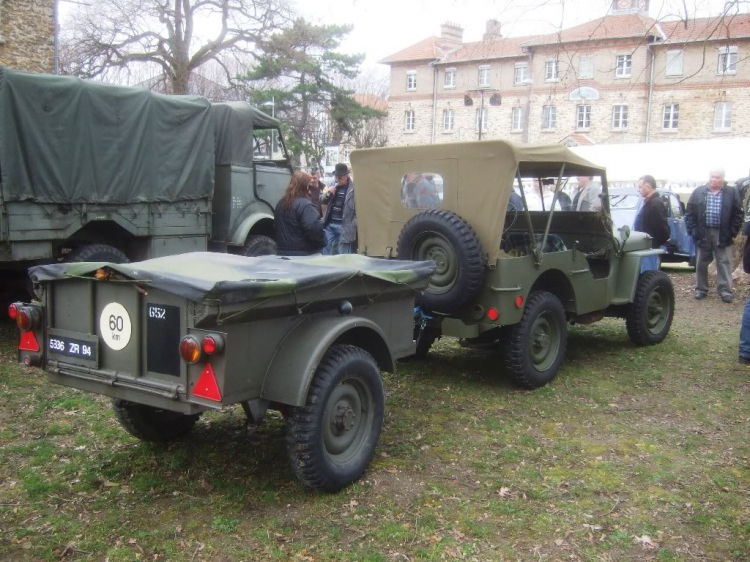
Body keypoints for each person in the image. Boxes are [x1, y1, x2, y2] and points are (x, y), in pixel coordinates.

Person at [685, 167, 743, 303]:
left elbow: (738, 214)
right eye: (712, 176)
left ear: (723, 178)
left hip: (723, 233)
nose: (714, 179)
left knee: (724, 262)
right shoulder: (699, 192)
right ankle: (701, 289)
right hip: (703, 232)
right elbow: (689, 213)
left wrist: (732, 232)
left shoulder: (731, 192)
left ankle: (725, 291)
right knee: (701, 262)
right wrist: (693, 231)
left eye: (717, 177)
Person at [273, 171, 325, 256]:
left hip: (282, 253)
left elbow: (276, 226)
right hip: (303, 255)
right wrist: (323, 242)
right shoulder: (306, 206)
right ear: (305, 186)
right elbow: (314, 230)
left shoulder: (281, 203)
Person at [633, 175, 670, 272]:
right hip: (645, 246)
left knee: (649, 274)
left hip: (650, 247)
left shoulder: (655, 204)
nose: (638, 190)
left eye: (640, 187)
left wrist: (658, 242)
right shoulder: (650, 203)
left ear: (648, 188)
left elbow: (660, 227)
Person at [321, 163, 357, 254]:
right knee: (324, 250)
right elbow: (321, 200)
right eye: (336, 177)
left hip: (344, 226)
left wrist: (353, 223)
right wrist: (327, 194)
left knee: (343, 256)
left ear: (346, 176)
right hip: (330, 225)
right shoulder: (332, 185)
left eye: (339, 177)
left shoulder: (353, 189)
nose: (337, 179)